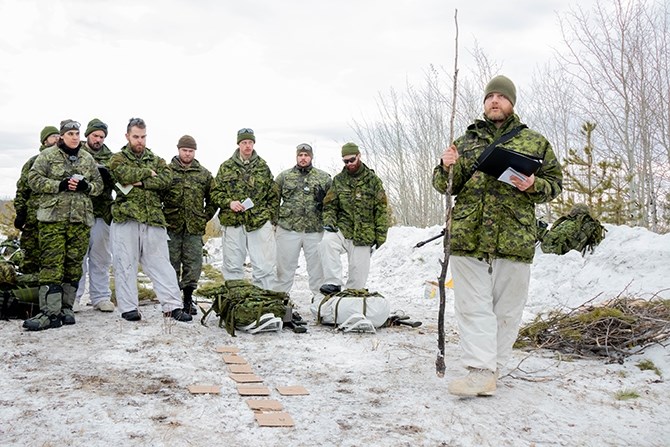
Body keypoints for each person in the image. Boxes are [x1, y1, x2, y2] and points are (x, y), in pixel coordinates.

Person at [432, 75, 563, 397]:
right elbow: (444, 186)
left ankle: (494, 367)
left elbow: (555, 185)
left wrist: (534, 185)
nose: (494, 101)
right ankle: (479, 370)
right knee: (472, 306)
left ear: (511, 103)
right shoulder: (465, 141)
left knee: (507, 309)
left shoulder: (534, 142)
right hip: (468, 233)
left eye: (501, 97)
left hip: (513, 236)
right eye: (490, 96)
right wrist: (445, 165)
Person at [107, 118, 192, 322]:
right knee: (125, 263)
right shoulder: (118, 158)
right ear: (127, 136)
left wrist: (140, 182)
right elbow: (120, 174)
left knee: (162, 264)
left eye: (143, 137)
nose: (140, 141)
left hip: (153, 219)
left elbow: (166, 179)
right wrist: (147, 174)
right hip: (126, 218)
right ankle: (129, 308)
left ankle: (172, 306)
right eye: (136, 137)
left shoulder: (156, 159)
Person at [23, 120, 104, 330]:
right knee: (52, 265)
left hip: (79, 220)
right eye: (70, 134)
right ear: (61, 136)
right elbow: (33, 179)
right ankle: (49, 313)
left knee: (73, 264)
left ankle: (66, 309)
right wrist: (57, 185)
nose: (75, 137)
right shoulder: (48, 156)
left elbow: (99, 186)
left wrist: (87, 186)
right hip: (53, 219)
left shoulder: (87, 158)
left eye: (77, 133)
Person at [211, 128, 278, 290]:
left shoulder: (263, 167)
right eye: (244, 142)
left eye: (250, 142)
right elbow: (214, 192)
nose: (247, 146)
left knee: (264, 268)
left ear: (254, 144)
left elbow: (274, 194)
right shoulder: (226, 167)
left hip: (259, 222)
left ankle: (264, 305)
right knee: (233, 266)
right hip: (233, 222)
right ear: (238, 144)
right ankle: (237, 303)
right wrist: (229, 202)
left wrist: (269, 217)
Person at [319, 142, 389, 294]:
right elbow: (330, 205)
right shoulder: (339, 181)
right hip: (343, 229)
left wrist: (381, 236)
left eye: (352, 159)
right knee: (326, 243)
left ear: (359, 156)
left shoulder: (373, 181)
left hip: (363, 234)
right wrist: (329, 221)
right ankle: (333, 282)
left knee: (357, 283)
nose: (349, 164)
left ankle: (350, 303)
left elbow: (382, 209)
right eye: (346, 161)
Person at [162, 135, 217, 315]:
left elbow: (213, 198)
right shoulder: (167, 171)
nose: (187, 154)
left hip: (194, 227)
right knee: (171, 264)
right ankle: (172, 300)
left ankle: (187, 299)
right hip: (172, 226)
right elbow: (157, 197)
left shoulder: (204, 174)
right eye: (184, 150)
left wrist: (204, 217)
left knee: (193, 265)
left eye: (190, 151)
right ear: (178, 150)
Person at [275, 143, 332, 298]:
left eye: (306, 155)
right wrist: (273, 224)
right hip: (288, 229)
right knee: (284, 269)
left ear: (311, 157)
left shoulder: (323, 178)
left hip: (314, 230)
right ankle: (280, 302)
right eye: (300, 155)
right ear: (296, 157)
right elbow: (273, 201)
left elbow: (333, 204)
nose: (303, 158)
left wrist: (323, 203)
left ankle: (320, 303)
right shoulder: (284, 177)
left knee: (317, 270)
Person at [75, 119, 115, 312]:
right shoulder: (77, 153)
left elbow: (120, 181)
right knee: (78, 257)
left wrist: (110, 177)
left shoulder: (112, 157)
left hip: (102, 212)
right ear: (88, 135)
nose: (98, 139)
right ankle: (74, 297)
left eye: (101, 137)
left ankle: (100, 297)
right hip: (79, 212)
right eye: (95, 135)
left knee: (101, 258)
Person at [13, 125, 60, 280]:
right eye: (53, 136)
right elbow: (22, 189)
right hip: (34, 220)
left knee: (53, 262)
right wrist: (20, 213)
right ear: (45, 140)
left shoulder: (64, 162)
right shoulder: (34, 162)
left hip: (56, 220)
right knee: (31, 261)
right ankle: (29, 299)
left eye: (58, 136)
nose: (57, 139)